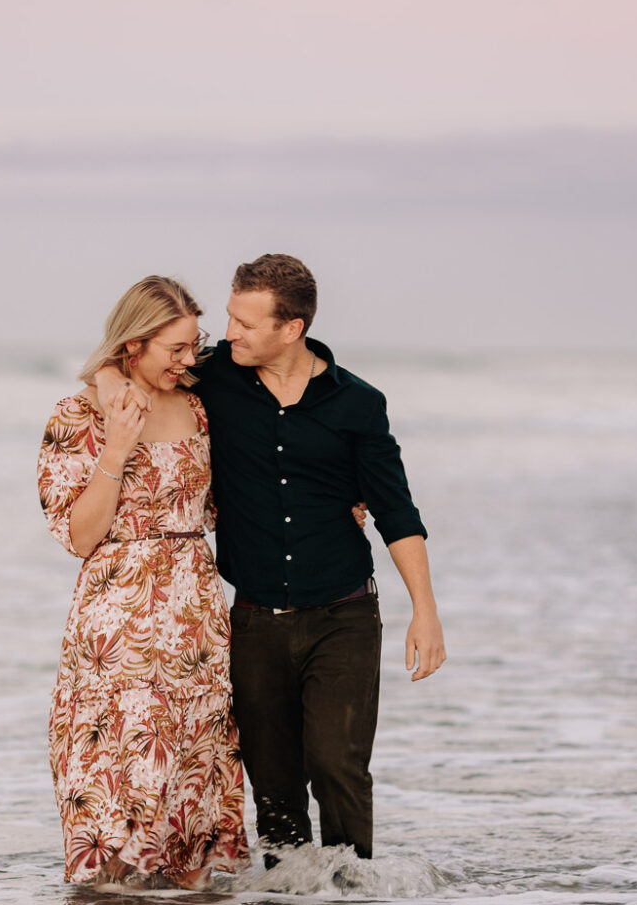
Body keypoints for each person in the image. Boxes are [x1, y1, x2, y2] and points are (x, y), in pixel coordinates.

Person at [95, 254, 445, 868]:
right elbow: (127, 365)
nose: (229, 334)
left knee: (337, 767)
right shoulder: (215, 378)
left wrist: (426, 612)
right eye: (229, 319)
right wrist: (109, 393)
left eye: (245, 324)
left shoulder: (358, 404)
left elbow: (396, 511)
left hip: (343, 615)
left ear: (293, 328)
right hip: (254, 620)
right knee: (274, 786)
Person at [37, 276, 248, 888]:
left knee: (191, 754)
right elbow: (79, 536)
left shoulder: (200, 402)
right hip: (118, 614)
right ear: (134, 344)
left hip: (195, 608)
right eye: (175, 349)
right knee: (120, 757)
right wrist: (118, 447)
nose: (189, 360)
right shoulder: (77, 415)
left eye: (194, 345)